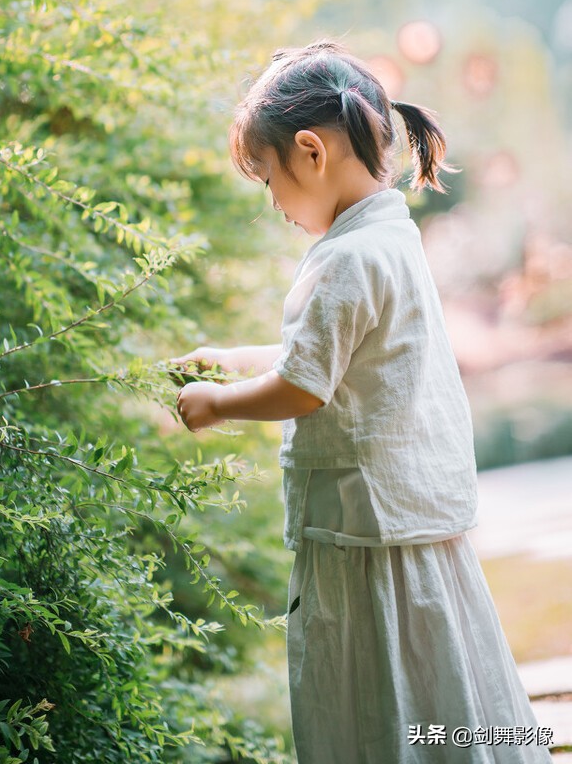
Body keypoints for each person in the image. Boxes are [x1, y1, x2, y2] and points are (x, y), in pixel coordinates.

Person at [171, 40, 554, 763]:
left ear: (311, 152)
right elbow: (330, 360)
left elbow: (305, 388)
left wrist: (217, 406)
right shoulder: (390, 237)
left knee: (377, 689)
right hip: (406, 519)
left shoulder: (347, 258)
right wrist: (229, 362)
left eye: (269, 177)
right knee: (444, 679)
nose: (274, 203)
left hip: (365, 535)